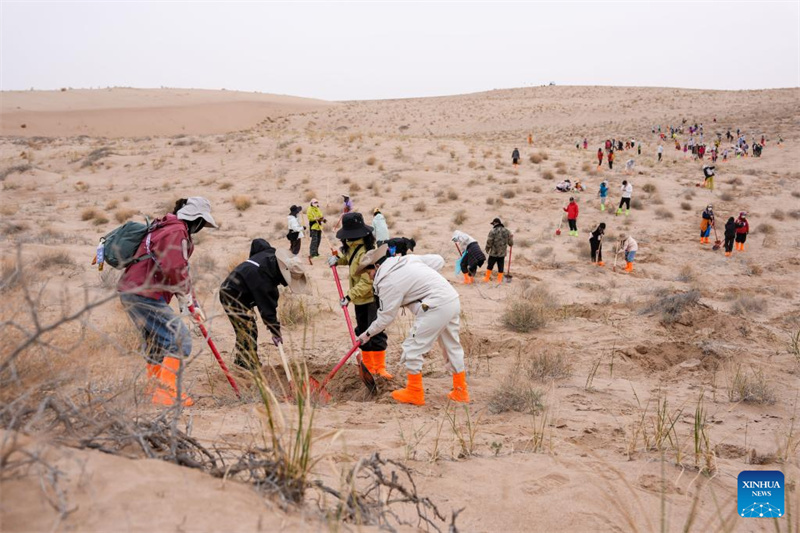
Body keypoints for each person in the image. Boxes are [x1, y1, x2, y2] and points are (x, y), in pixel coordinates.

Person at [118, 197, 218, 407]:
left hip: (134, 290)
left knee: (156, 341)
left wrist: (192, 304)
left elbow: (179, 269)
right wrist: (186, 297)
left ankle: (153, 390)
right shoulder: (176, 231)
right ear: (196, 219)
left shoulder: (166, 227)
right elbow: (173, 268)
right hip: (143, 293)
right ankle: (165, 394)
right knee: (179, 339)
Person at [354, 245, 469, 406]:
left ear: (377, 266)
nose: (370, 277)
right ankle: (460, 391)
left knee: (412, 348)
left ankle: (415, 392)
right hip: (451, 299)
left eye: (369, 273)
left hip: (435, 305)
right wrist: (421, 280)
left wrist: (366, 335)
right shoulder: (407, 259)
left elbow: (386, 317)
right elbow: (438, 260)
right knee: (451, 346)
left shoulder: (388, 282)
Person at [220, 240, 308, 371]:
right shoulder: (264, 282)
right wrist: (275, 332)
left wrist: (250, 266)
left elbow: (258, 243)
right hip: (231, 295)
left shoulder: (271, 255)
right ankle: (246, 365)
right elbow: (267, 312)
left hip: (241, 288)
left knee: (248, 328)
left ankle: (242, 360)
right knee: (247, 330)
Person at [327, 212, 392, 379]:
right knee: (362, 331)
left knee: (375, 332)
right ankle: (369, 366)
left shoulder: (367, 253)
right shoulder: (353, 246)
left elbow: (367, 282)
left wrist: (349, 296)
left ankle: (380, 368)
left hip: (371, 299)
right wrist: (337, 260)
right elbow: (349, 259)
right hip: (359, 300)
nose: (347, 239)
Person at [484, 217, 513, 283]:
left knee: (490, 265)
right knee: (500, 266)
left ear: (495, 223)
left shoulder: (493, 231)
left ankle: (486, 279)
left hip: (493, 253)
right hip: (502, 253)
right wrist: (511, 238)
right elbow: (511, 243)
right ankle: (499, 280)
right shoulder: (507, 231)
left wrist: (487, 249)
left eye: (493, 224)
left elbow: (489, 241)